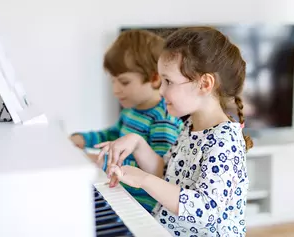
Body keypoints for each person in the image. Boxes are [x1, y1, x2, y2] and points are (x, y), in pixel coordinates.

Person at [95, 26, 254, 237]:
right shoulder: (190, 126)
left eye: (168, 81)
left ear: (204, 84)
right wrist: (137, 143)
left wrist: (143, 180)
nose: (160, 90)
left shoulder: (224, 141)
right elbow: (166, 172)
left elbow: (206, 211)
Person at [70, 29, 183, 213]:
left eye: (124, 82)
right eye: (112, 81)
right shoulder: (131, 110)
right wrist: (81, 139)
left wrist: (94, 159)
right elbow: (113, 135)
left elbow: (160, 173)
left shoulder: (163, 119)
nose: (115, 90)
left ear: (154, 78)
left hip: (142, 208)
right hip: (120, 194)